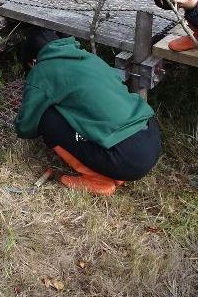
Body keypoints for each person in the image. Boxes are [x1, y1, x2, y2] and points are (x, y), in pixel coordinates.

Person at [15, 28, 161, 196]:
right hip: (150, 138)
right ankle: (114, 171)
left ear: (34, 61)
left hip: (126, 158)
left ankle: (98, 179)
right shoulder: (90, 58)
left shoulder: (42, 69)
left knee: (47, 119)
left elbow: (25, 126)